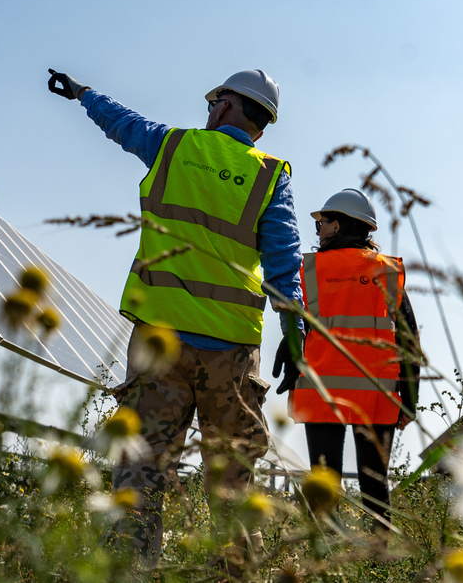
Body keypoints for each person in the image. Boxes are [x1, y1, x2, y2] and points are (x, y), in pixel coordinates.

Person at [47, 68, 303, 559]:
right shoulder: (271, 176)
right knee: (233, 486)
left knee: (138, 476)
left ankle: (129, 571)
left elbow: (122, 122)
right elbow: (284, 266)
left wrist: (83, 93)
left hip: (158, 345)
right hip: (230, 356)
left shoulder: (173, 147)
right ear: (263, 126)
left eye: (215, 101)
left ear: (225, 106)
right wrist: (295, 339)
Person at [272, 188, 420, 528]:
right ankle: (379, 562)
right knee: (375, 487)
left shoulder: (309, 269)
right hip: (376, 395)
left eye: (321, 223)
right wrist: (409, 401)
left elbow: (299, 324)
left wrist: (292, 350)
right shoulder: (388, 271)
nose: (319, 231)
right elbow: (409, 340)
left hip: (321, 392)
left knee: (323, 484)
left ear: (337, 225)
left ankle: (322, 561)